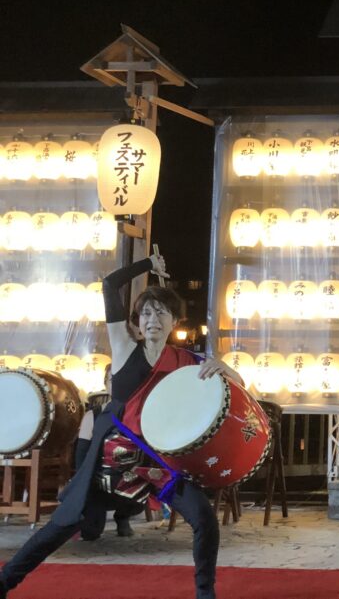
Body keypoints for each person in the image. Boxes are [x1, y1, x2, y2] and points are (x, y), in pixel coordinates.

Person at [1, 252, 243, 599]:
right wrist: (148, 265)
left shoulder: (187, 361)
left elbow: (237, 387)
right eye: (146, 313)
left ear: (174, 321)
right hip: (112, 459)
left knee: (203, 518)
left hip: (158, 461)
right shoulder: (124, 346)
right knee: (62, 525)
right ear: (137, 323)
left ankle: (206, 593)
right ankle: (5, 581)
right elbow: (109, 285)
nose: (153, 319)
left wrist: (225, 369)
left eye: (161, 312)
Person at [74, 365, 143, 540]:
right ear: (106, 384)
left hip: (128, 477)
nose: (118, 383)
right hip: (98, 481)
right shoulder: (93, 415)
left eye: (123, 379)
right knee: (90, 533)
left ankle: (123, 515)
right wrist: (82, 487)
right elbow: (81, 455)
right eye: (113, 379)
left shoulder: (138, 415)